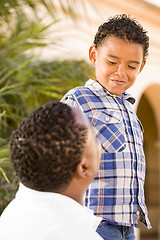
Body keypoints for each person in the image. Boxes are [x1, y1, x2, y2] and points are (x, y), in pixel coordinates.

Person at [61, 14, 151, 239]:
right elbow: (58, 162)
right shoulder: (79, 100)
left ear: (142, 66)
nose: (121, 72)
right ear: (94, 55)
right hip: (95, 224)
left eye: (132, 65)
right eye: (112, 62)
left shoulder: (130, 109)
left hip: (127, 227)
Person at [0, 101, 103, 240]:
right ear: (84, 168)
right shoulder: (76, 234)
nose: (100, 146)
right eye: (95, 139)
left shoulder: (13, 214)